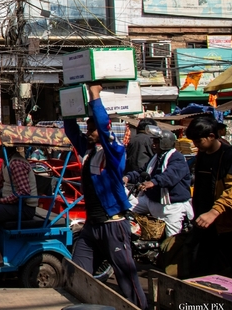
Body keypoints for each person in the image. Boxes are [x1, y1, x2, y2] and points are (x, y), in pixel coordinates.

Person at [63, 84, 147, 309]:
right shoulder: (90, 151)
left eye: (92, 127)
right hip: (93, 225)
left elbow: (102, 123)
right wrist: (69, 103)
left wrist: (95, 96)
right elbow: (71, 131)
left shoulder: (114, 150)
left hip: (113, 225)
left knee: (126, 278)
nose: (89, 131)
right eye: (88, 127)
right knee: (78, 271)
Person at [185, 114, 232, 277]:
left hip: (225, 226)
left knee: (223, 273)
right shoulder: (202, 156)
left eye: (198, 141)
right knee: (200, 269)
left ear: (212, 136)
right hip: (204, 223)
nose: (195, 145)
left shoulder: (229, 156)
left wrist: (214, 211)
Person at [124, 127, 193, 237]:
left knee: (172, 239)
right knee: (125, 206)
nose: (153, 145)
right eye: (154, 141)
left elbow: (170, 175)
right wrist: (127, 177)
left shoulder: (177, 158)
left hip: (171, 206)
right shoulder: (156, 158)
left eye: (157, 142)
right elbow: (142, 172)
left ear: (166, 143)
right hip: (151, 200)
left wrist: (153, 182)